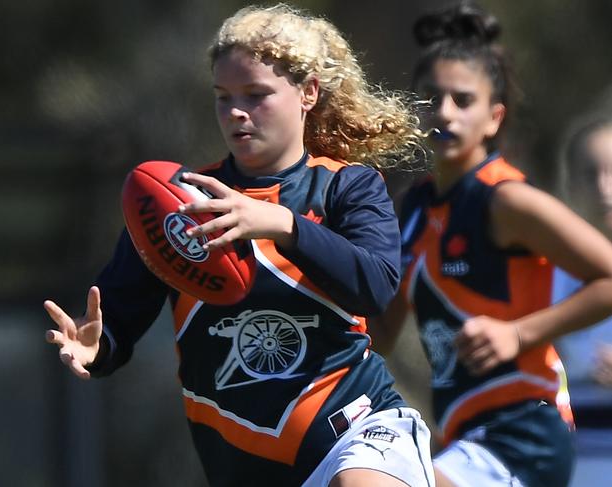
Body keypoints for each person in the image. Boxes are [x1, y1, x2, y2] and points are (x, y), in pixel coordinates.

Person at [44, 4, 435, 487]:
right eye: (223, 97)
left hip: (352, 428)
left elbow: (376, 287)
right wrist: (96, 346)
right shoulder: (181, 202)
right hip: (240, 459)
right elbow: (118, 314)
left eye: (256, 95)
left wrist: (285, 225)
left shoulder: (345, 187)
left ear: (308, 93)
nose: (235, 112)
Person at [370, 2, 612, 487]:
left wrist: (518, 334)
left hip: (524, 435)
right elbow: (379, 334)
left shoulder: (506, 200)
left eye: (463, 100)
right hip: (463, 436)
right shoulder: (412, 207)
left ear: (494, 117)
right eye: (431, 97)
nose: (444, 112)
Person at [554, 113, 612, 388]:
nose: (604, 188)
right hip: (571, 427)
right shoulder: (547, 270)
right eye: (590, 174)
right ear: (570, 185)